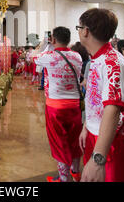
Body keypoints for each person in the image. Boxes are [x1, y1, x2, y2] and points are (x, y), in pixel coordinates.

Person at [77, 8, 124, 182]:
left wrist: (98, 160)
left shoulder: (113, 63)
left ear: (86, 31)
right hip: (97, 136)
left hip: (111, 142)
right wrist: (87, 126)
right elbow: (96, 101)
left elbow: (113, 109)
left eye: (79, 28)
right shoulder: (98, 59)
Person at [34, 27, 83, 182]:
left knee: (59, 142)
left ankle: (64, 178)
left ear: (53, 39)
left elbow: (33, 56)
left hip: (55, 107)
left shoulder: (48, 56)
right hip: (75, 105)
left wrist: (43, 43)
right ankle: (76, 172)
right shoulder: (77, 56)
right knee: (74, 140)